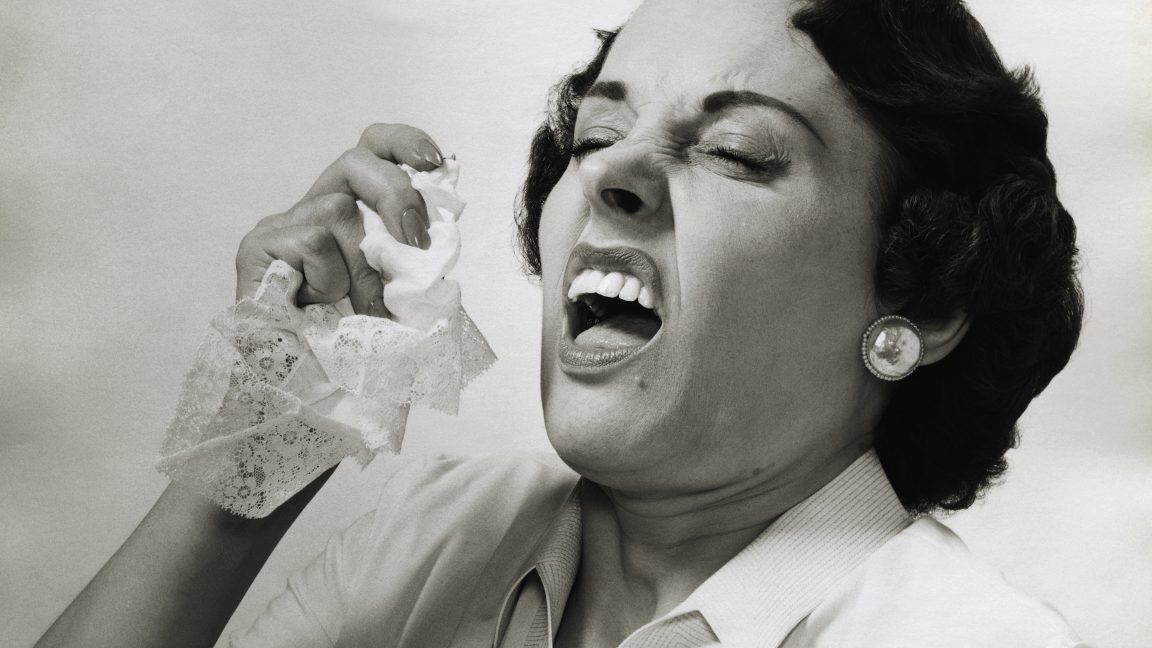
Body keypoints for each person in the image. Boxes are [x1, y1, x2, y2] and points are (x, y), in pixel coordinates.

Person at [37, 0, 1086, 646]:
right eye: (595, 134)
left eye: (736, 151)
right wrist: (247, 472)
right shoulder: (444, 529)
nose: (615, 173)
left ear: (923, 297)